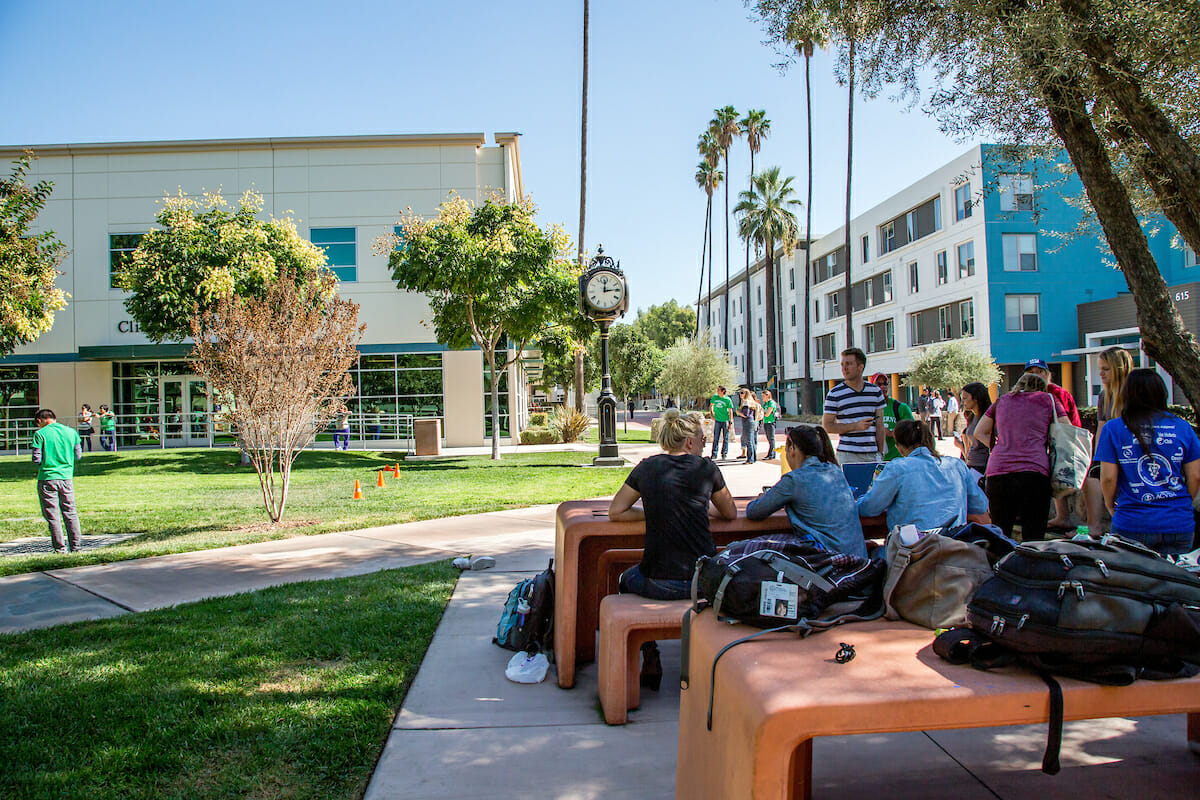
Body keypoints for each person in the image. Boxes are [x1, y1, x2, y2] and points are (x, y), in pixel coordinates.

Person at [609, 409, 737, 688]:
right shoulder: (707, 468)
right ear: (689, 442)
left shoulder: (646, 467)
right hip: (702, 583)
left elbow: (616, 511)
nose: (705, 443)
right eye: (702, 438)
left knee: (624, 580)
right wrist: (698, 507)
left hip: (658, 582)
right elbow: (730, 513)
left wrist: (656, 510)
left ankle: (650, 654)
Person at [1095, 368, 1200, 555]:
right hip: (1178, 523)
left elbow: (1108, 478)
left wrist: (1110, 505)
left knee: (1132, 580)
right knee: (1174, 580)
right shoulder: (1182, 427)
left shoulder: (1113, 428)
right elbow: (1196, 476)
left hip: (1131, 522)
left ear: (1127, 394)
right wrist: (1182, 503)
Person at [973, 372, 1069, 541]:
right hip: (1034, 471)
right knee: (1033, 535)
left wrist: (1002, 446)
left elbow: (979, 432)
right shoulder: (1049, 400)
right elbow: (1066, 430)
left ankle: (999, 565)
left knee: (1000, 533)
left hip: (998, 473)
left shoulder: (1001, 402)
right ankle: (1030, 565)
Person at [746, 425, 867, 558]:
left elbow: (754, 511)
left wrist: (763, 498)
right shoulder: (835, 470)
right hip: (859, 560)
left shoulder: (794, 480)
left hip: (831, 565)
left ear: (792, 450)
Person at [856, 419, 989, 531]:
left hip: (913, 551)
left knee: (873, 552)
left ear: (899, 447)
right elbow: (980, 505)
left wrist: (856, 501)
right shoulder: (957, 465)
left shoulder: (897, 468)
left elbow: (869, 508)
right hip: (954, 548)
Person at [1024, 357, 1082, 530]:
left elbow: (1063, 422)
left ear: (1047, 373)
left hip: (1064, 439)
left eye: (1040, 372)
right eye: (1031, 373)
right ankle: (1061, 516)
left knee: (1058, 475)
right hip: (1045, 440)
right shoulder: (1029, 394)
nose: (1036, 376)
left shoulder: (1056, 393)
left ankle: (1065, 517)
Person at [1082, 347, 1134, 535]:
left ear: (1119, 368)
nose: (1101, 374)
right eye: (1100, 369)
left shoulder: (1134, 393)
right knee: (1092, 477)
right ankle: (1094, 528)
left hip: (1132, 449)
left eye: (1106, 369)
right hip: (1112, 450)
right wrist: (1096, 458)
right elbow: (1102, 427)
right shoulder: (1104, 395)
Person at [31, 409, 84, 554]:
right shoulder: (71, 432)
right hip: (66, 478)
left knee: (52, 515)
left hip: (47, 478)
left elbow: (36, 458)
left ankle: (60, 548)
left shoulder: (40, 434)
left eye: (38, 423)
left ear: (42, 420)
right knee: (70, 512)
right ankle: (76, 547)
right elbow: (78, 455)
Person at [822, 348, 886, 464]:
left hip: (872, 454)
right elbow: (827, 426)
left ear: (860, 367)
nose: (844, 368)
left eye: (848, 364)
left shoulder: (875, 391)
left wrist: (880, 454)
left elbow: (880, 426)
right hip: (847, 455)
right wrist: (855, 426)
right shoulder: (834, 394)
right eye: (842, 364)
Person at [871, 373, 913, 462]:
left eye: (885, 384)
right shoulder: (867, 409)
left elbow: (913, 432)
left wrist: (891, 433)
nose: (883, 387)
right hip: (874, 460)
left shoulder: (900, 407)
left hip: (897, 459)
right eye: (879, 384)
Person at [955, 382, 993, 481]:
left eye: (965, 398)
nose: (963, 402)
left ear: (975, 398)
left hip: (983, 466)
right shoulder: (971, 417)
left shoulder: (989, 418)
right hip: (971, 464)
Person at [708, 385, 734, 460]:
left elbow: (730, 411)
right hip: (717, 420)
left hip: (725, 420)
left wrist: (730, 422)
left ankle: (724, 453)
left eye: (719, 390)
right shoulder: (715, 397)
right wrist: (712, 414)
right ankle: (714, 454)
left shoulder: (727, 400)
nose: (717, 391)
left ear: (723, 391)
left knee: (725, 438)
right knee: (716, 437)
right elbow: (711, 406)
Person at [737, 388, 762, 464]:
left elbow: (745, 414)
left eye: (742, 393)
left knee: (748, 441)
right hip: (751, 422)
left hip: (747, 422)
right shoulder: (751, 403)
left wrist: (738, 412)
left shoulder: (745, 402)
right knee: (751, 441)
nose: (740, 394)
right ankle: (753, 458)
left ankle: (750, 459)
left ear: (746, 394)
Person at [760, 389, 778, 461]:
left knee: (771, 438)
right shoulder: (765, 404)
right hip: (766, 422)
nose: (762, 398)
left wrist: (762, 413)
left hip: (771, 422)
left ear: (767, 396)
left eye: (763, 396)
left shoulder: (771, 403)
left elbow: (767, 414)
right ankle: (770, 453)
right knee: (768, 438)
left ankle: (772, 454)